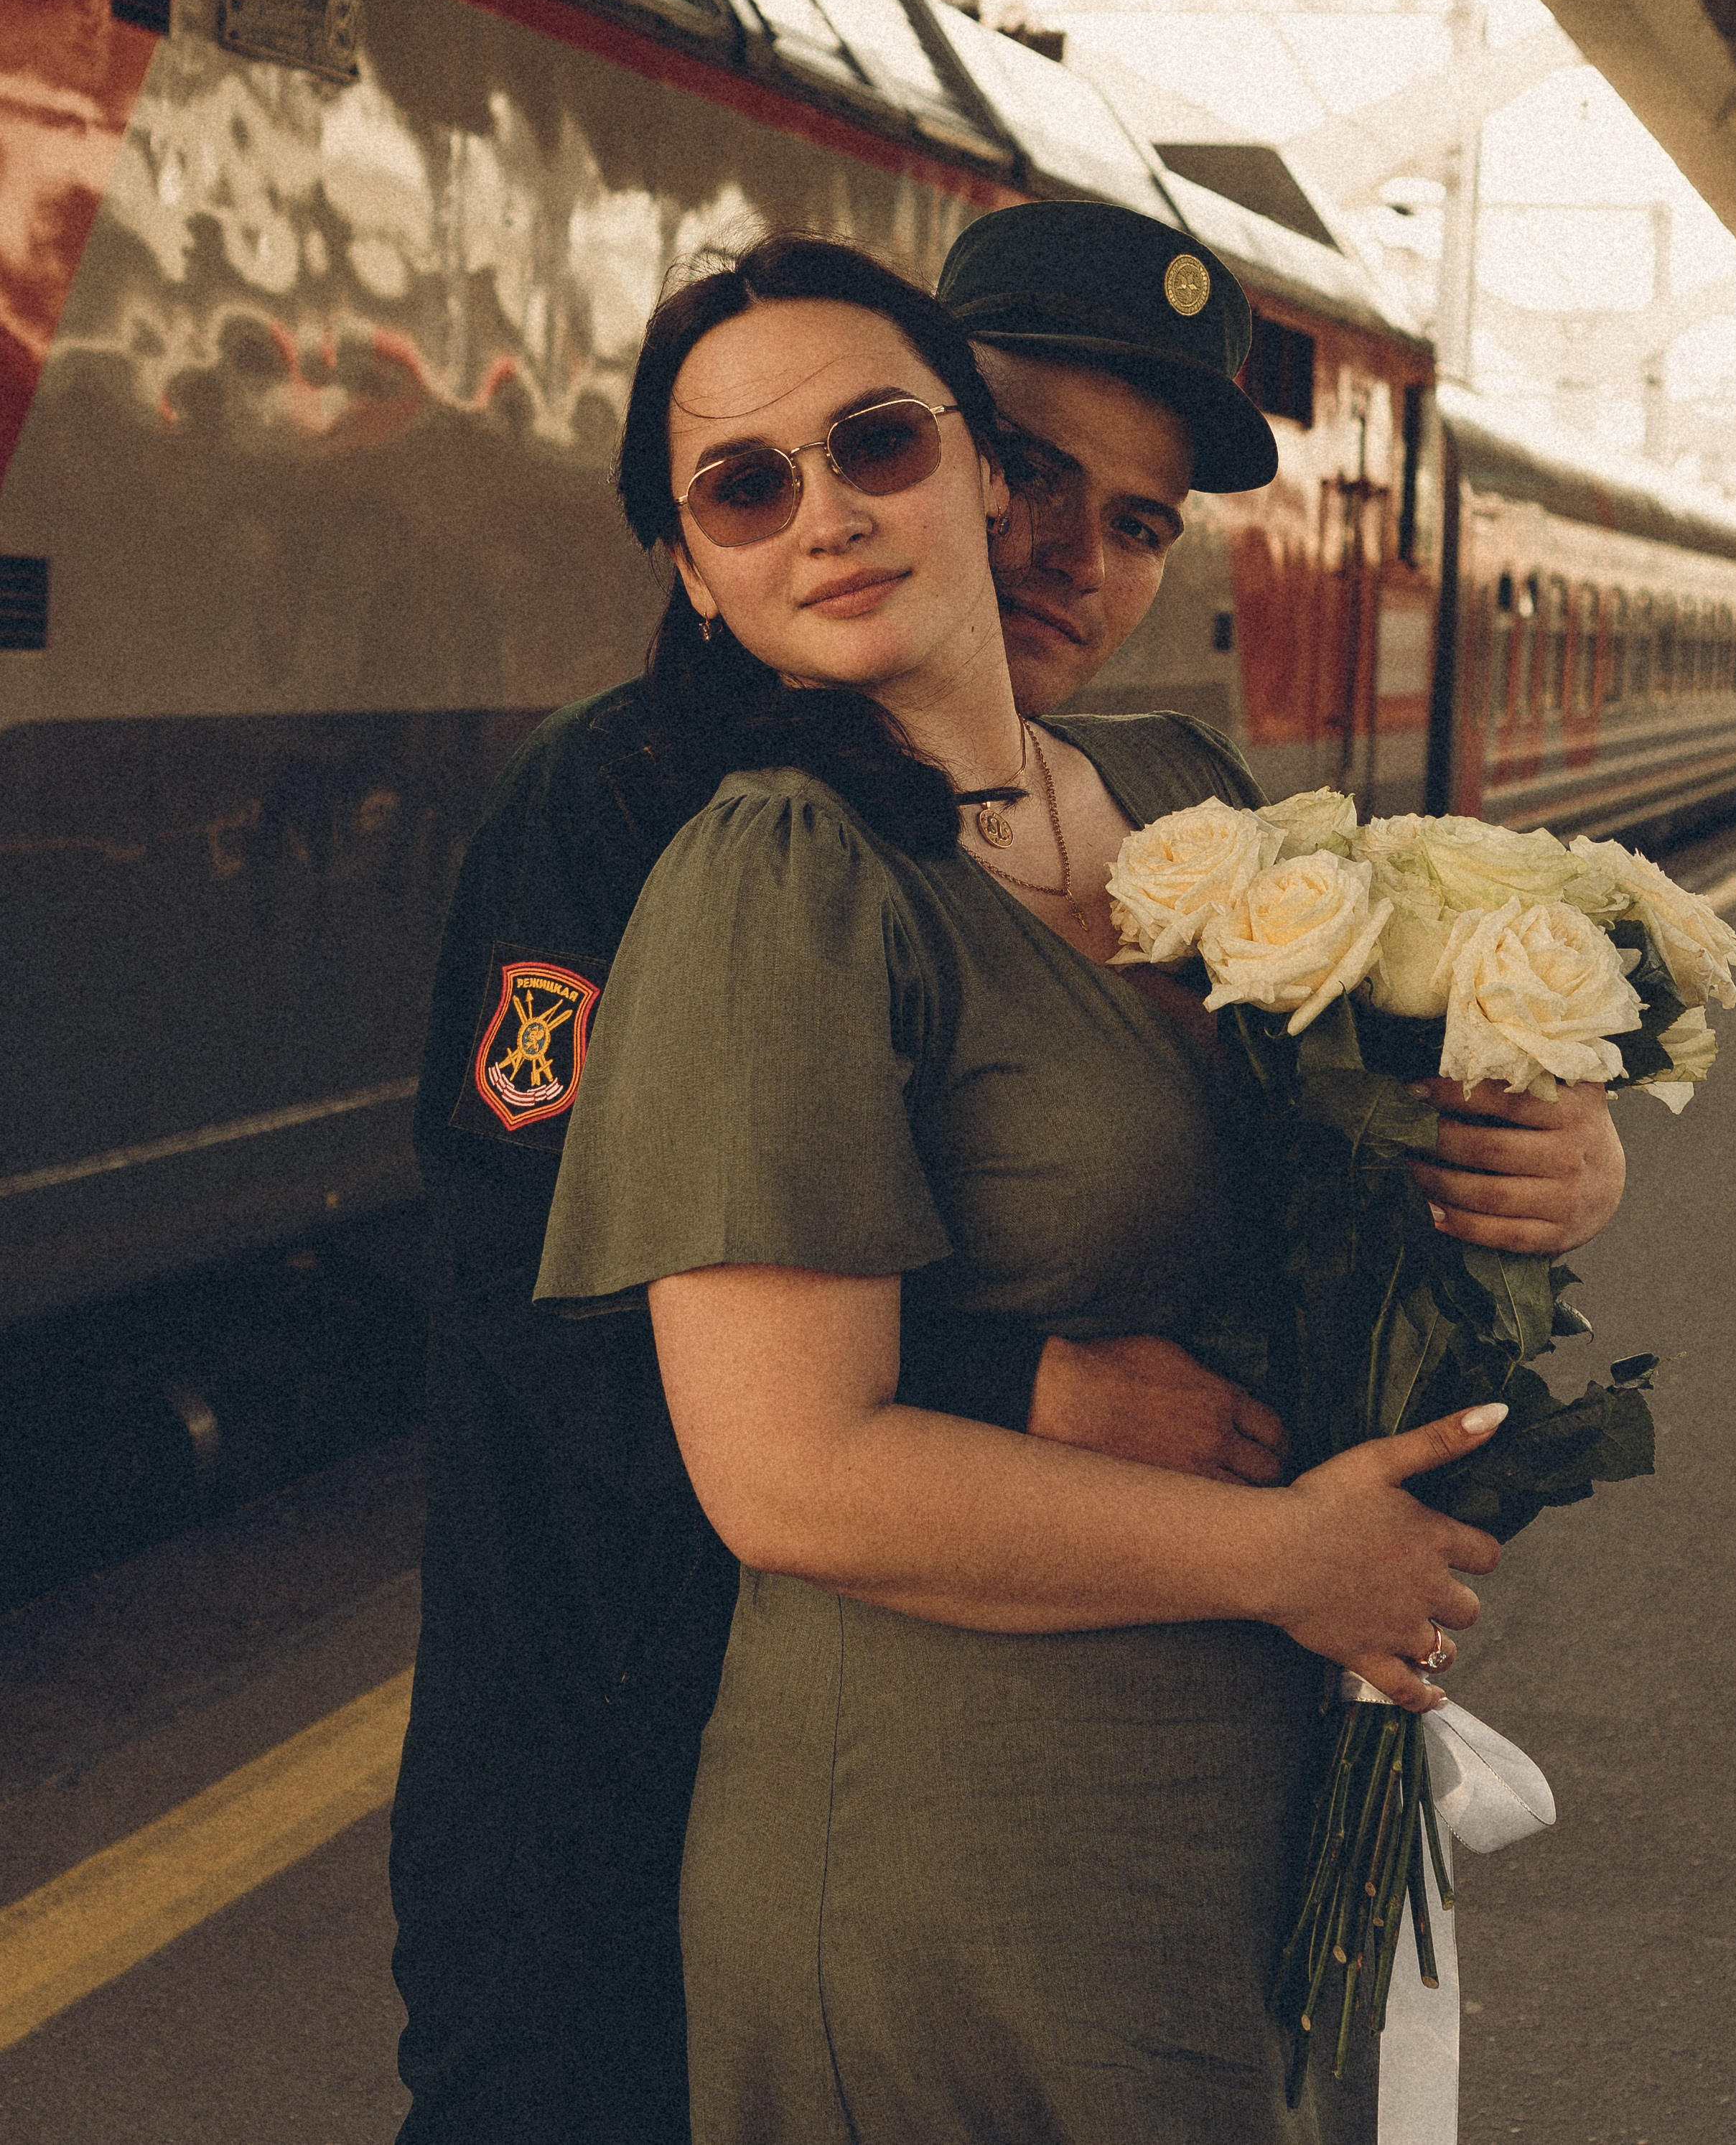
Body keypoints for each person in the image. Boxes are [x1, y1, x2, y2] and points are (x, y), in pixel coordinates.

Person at [391, 211, 1625, 2143]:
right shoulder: (663, 814)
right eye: (1033, 468)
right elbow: (548, 1295)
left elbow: (1300, 1182)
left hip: (1130, 1776)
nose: (1068, 551)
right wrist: (1021, 1392)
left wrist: (1542, 1144)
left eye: (1138, 521)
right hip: (628, 1728)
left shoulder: (1158, 798)